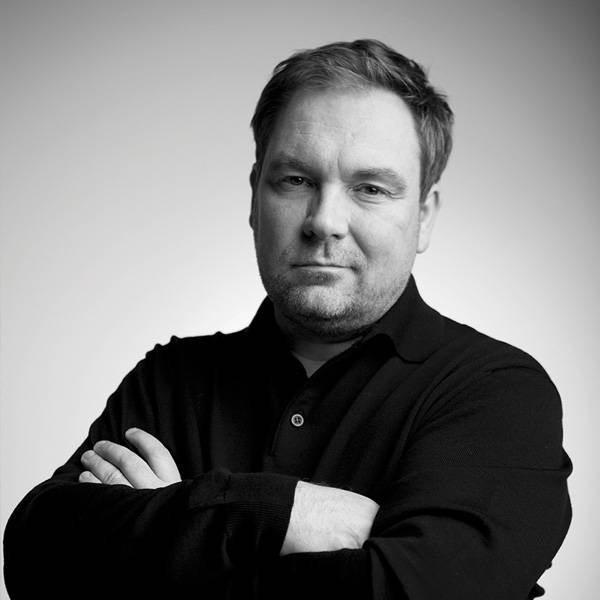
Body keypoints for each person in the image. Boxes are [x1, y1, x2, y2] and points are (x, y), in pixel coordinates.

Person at [3, 39, 571, 599]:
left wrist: (176, 541)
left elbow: (416, 591)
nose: (325, 221)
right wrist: (285, 513)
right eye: (296, 180)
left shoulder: (497, 392)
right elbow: (35, 558)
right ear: (256, 197)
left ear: (423, 216)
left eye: (370, 188)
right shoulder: (171, 379)